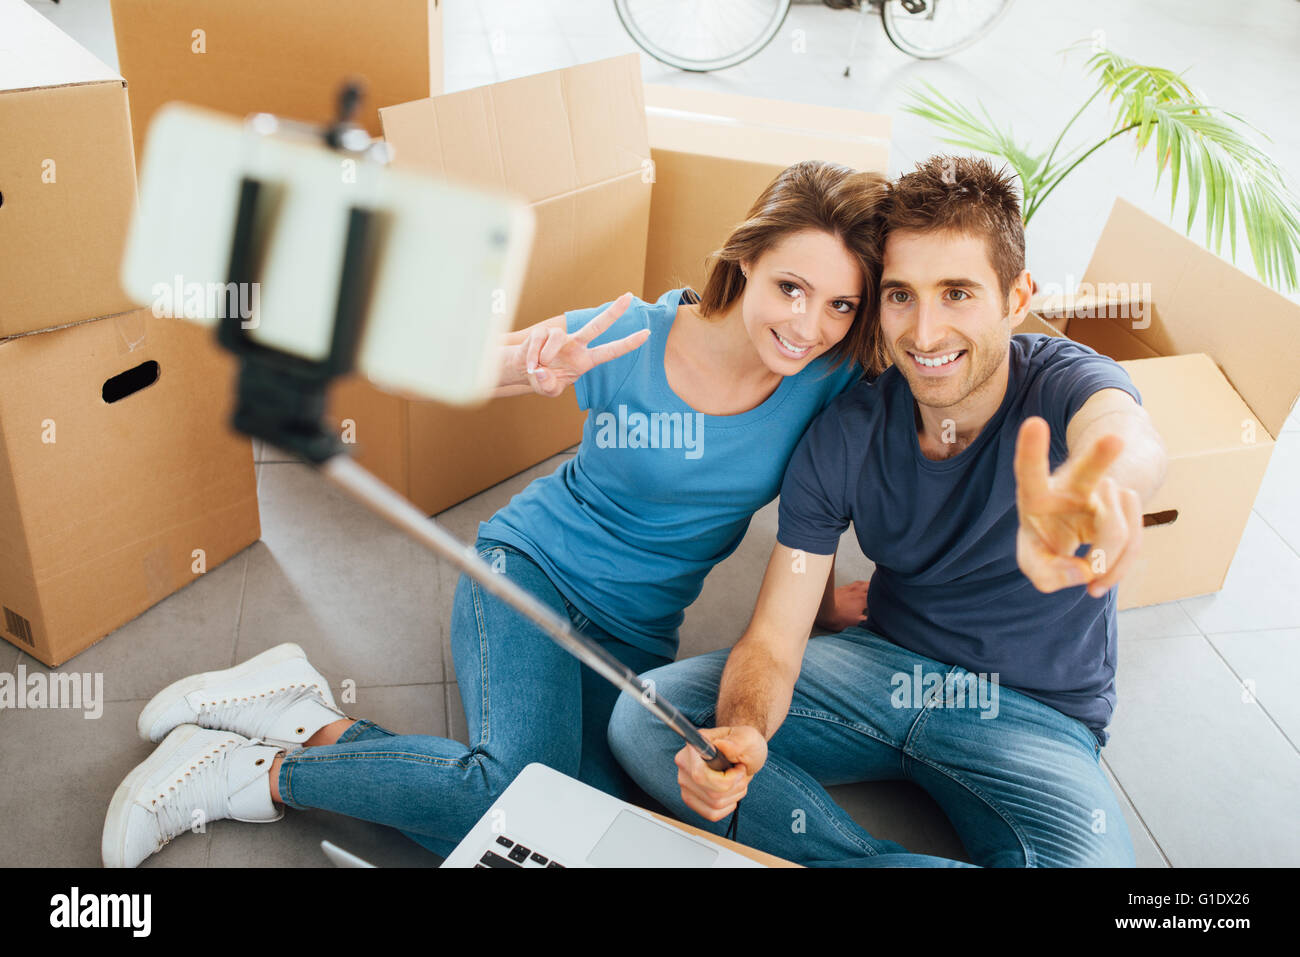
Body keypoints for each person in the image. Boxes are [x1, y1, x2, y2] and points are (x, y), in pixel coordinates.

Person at [102, 160, 917, 868]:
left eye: (841, 305)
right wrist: (528, 365)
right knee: (522, 793)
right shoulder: (634, 334)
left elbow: (869, 451)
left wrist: (839, 593)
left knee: (596, 829)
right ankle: (247, 776)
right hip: (529, 575)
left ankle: (299, 713)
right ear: (745, 256)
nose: (808, 325)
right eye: (791, 288)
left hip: (636, 636)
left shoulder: (828, 376)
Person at [607, 154, 1169, 868]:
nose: (925, 333)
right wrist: (744, 730)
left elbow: (1126, 436)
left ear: (1016, 295)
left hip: (1032, 717)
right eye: (901, 295)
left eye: (958, 293)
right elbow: (775, 641)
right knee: (652, 718)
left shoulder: (1066, 381)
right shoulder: (848, 431)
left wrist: (1107, 489)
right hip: (877, 670)